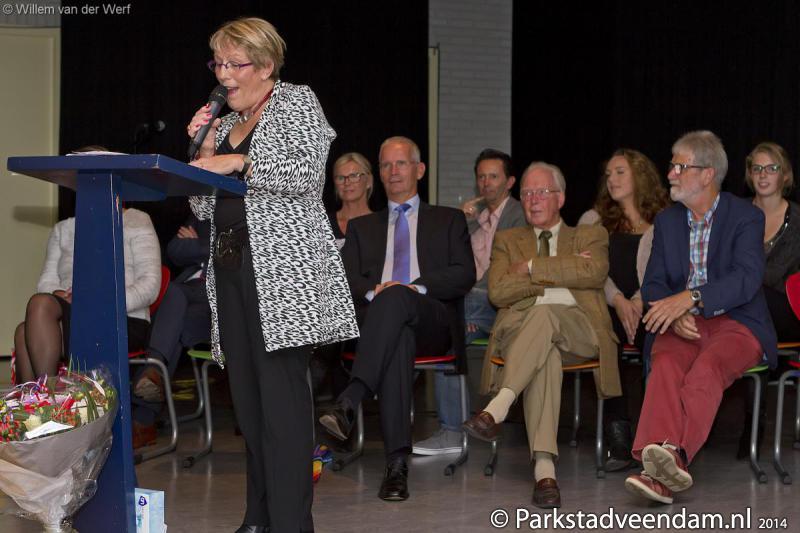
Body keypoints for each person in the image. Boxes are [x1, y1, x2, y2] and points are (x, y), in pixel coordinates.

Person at [186, 17, 358, 533]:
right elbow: (202, 206)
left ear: (264, 66)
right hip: (229, 269)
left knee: (282, 409)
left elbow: (304, 173)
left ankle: (291, 523)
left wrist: (236, 162)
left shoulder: (295, 101)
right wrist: (203, 152)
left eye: (233, 64)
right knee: (249, 407)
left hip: (282, 276)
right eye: (218, 63)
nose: (223, 75)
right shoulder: (221, 125)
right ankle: (258, 517)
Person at [319, 136, 475, 501]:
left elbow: (464, 273)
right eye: (386, 164)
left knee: (398, 299)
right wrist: (378, 291)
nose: (393, 171)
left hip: (431, 319)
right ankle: (396, 466)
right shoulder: (363, 227)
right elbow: (346, 280)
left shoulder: (448, 219)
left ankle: (352, 396)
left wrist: (411, 288)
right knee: (397, 335)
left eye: (401, 163)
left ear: (419, 170)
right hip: (384, 328)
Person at [624, 131, 776, 505]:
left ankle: (669, 457)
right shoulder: (667, 221)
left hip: (737, 322)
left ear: (707, 174)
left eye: (680, 166)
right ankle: (663, 470)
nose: (670, 174)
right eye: (672, 165)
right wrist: (674, 313)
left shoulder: (746, 217)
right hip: (684, 322)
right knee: (666, 365)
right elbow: (654, 282)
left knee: (706, 370)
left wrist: (690, 298)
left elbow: (746, 278)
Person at [462, 162, 620, 509]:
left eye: (542, 192)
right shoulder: (508, 240)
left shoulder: (588, 235)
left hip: (580, 331)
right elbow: (499, 292)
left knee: (544, 315)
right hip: (524, 333)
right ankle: (545, 473)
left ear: (560, 198)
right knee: (545, 349)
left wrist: (532, 268)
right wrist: (564, 271)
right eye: (527, 193)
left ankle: (499, 406)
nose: (533, 200)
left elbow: (593, 272)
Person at [413, 148, 525, 456]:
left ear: (510, 181)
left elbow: (502, 273)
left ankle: (450, 431)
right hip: (469, 305)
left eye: (493, 176)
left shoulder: (520, 215)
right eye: (481, 177)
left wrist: (463, 295)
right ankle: (452, 430)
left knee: (445, 320)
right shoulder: (475, 217)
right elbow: (451, 261)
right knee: (451, 334)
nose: (486, 183)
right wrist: (461, 222)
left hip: (497, 303)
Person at [578, 148, 670, 470]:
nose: (612, 179)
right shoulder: (592, 220)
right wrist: (619, 301)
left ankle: (655, 436)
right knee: (607, 336)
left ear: (640, 175)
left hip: (651, 304)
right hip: (607, 306)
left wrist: (639, 301)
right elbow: (590, 271)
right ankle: (617, 435)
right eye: (608, 174)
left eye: (620, 172)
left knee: (659, 336)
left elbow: (668, 269)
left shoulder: (666, 219)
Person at [14, 207, 161, 384]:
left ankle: (47, 396)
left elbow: (150, 285)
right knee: (27, 325)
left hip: (119, 317)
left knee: (30, 322)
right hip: (73, 312)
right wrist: (60, 293)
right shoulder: (63, 228)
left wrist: (96, 299)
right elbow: (46, 281)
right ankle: (42, 397)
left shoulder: (137, 221)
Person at [130, 213, 212, 448]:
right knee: (173, 293)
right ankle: (151, 378)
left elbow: (236, 248)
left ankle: (143, 419)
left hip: (218, 298)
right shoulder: (202, 210)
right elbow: (175, 250)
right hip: (188, 290)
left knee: (175, 324)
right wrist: (207, 247)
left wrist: (195, 245)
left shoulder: (242, 210)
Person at [746, 142, 800, 341]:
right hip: (739, 306)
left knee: (753, 291)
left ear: (785, 175)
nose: (762, 174)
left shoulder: (797, 222)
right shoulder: (735, 214)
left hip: (786, 312)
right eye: (757, 168)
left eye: (771, 168)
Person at [327, 151, 374, 245]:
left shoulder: (383, 226)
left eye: (354, 176)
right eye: (340, 178)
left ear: (369, 181)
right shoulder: (322, 225)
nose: (347, 183)